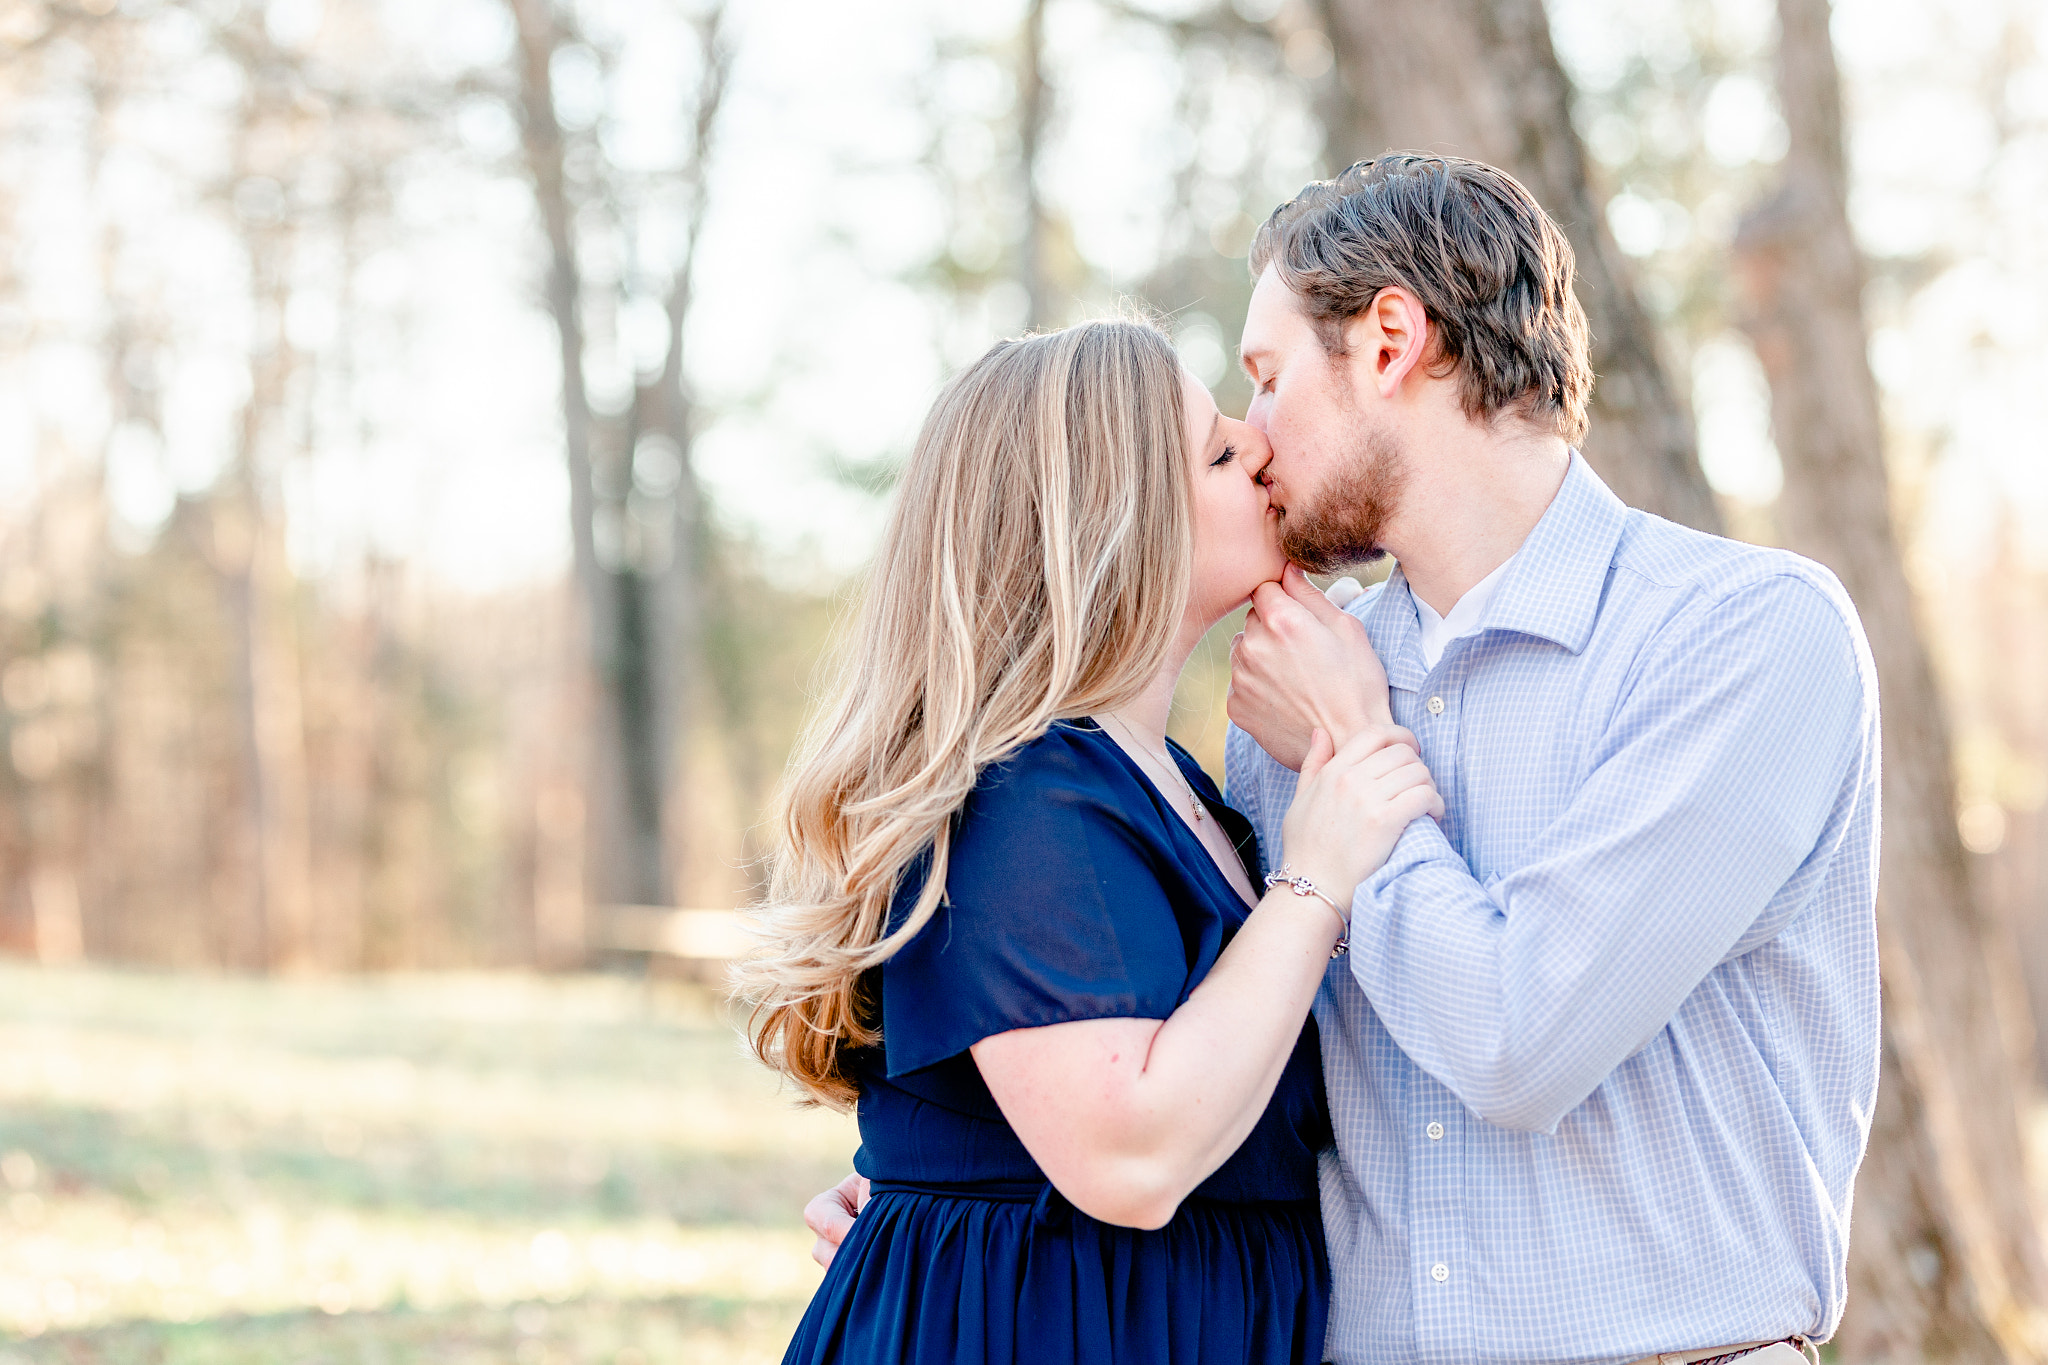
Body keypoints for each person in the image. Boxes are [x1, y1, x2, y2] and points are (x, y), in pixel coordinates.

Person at [810, 155, 1883, 1365]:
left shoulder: (1737, 638)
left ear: (1387, 343)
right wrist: (951, 1187)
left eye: (1263, 382)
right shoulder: (1292, 677)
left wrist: (1352, 752)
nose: (1255, 440)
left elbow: (1518, 1044)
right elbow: (1200, 1035)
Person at [741, 318, 1443, 1365]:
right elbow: (1131, 1157)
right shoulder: (1026, 798)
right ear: (1114, 527)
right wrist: (1319, 877)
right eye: (1214, 450)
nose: (1256, 446)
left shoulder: (1166, 788)